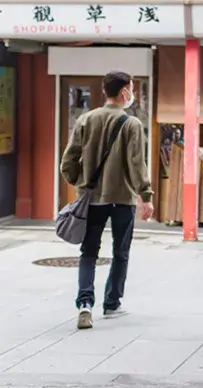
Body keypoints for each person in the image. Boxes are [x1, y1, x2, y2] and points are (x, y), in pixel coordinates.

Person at [60, 71, 154, 330]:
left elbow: (68, 162)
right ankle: (112, 302)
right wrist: (145, 195)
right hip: (121, 199)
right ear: (124, 92)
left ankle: (85, 304)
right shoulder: (131, 124)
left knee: (89, 252)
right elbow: (137, 164)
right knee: (120, 252)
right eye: (131, 88)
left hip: (91, 199)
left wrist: (80, 182)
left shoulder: (86, 119)